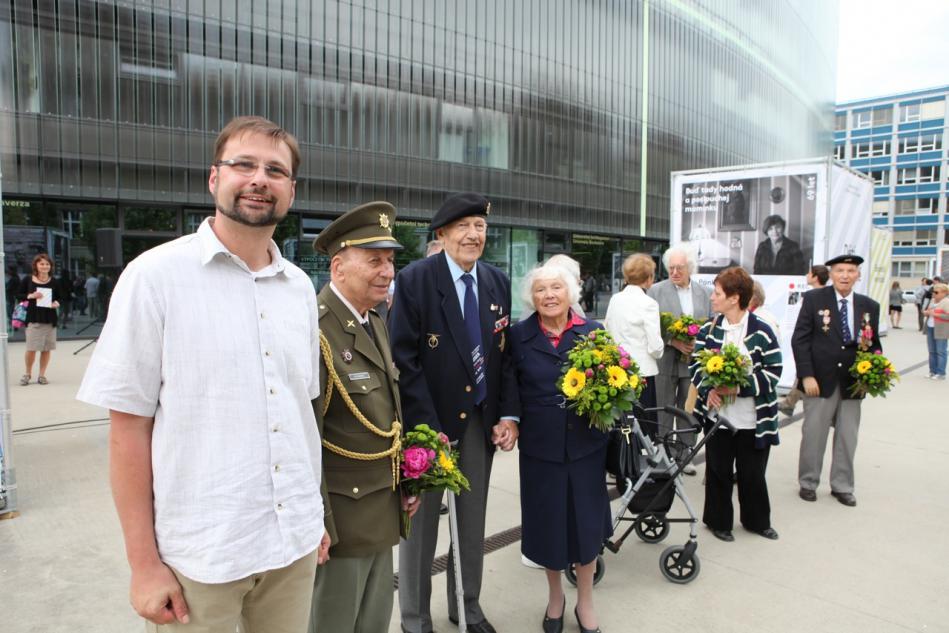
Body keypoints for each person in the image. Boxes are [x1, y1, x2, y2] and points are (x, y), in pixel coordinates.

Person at [77, 116, 330, 631]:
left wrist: (312, 515)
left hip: (292, 545)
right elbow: (128, 430)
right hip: (200, 557)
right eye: (244, 164)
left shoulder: (301, 288)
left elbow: (299, 413)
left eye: (275, 170)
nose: (260, 178)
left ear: (291, 191)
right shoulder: (154, 277)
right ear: (214, 179)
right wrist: (144, 565)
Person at [390, 192, 519, 633]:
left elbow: (505, 358)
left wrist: (507, 415)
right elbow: (403, 360)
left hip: (481, 424)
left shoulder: (497, 282)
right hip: (428, 432)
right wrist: (428, 431)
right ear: (441, 234)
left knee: (471, 525)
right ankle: (415, 617)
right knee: (421, 531)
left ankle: (468, 606)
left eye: (479, 227)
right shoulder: (415, 280)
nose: (473, 234)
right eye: (463, 226)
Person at [307, 202, 419, 633]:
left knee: (372, 623)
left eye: (390, 261)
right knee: (333, 624)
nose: (388, 271)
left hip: (379, 508)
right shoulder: (315, 329)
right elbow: (307, 438)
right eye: (374, 260)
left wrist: (407, 478)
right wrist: (319, 521)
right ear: (338, 266)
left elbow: (388, 412)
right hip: (341, 523)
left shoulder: (374, 321)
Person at [510, 262, 610, 633]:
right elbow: (509, 388)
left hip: (586, 447)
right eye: (540, 290)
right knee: (549, 527)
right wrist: (508, 420)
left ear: (570, 293)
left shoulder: (594, 333)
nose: (548, 295)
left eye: (556, 287)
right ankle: (556, 598)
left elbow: (618, 385)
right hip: (540, 449)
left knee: (585, 527)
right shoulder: (518, 336)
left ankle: (585, 601)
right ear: (531, 297)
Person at [690, 267, 782, 542]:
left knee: (752, 473)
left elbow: (773, 372)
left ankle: (756, 521)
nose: (712, 298)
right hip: (719, 416)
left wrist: (739, 387)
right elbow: (695, 364)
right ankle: (718, 522)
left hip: (753, 418)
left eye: (717, 293)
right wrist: (708, 390)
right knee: (718, 470)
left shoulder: (762, 331)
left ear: (735, 297)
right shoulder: (709, 329)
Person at [792, 254, 881, 507]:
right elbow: (800, 339)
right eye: (840, 270)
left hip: (854, 382)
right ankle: (808, 482)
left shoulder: (869, 306)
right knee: (814, 433)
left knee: (847, 436)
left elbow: (874, 344)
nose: (845, 275)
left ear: (858, 275)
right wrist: (806, 374)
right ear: (830, 274)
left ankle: (842, 486)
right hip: (820, 380)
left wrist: (874, 372)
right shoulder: (813, 299)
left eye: (851, 270)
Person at [647, 244, 711, 475]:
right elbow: (650, 327)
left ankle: (685, 454)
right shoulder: (655, 291)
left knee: (688, 408)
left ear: (690, 268)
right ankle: (663, 452)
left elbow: (710, 324)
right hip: (666, 359)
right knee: (664, 408)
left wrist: (698, 343)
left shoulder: (703, 293)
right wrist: (672, 341)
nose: (674, 272)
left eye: (679, 268)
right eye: (671, 268)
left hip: (692, 363)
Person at [604, 254, 663, 429]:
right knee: (643, 429)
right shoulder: (649, 303)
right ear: (649, 279)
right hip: (642, 373)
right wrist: (660, 350)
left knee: (621, 426)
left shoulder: (615, 299)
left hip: (617, 371)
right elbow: (655, 347)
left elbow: (607, 331)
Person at [778, 265, 828, 416]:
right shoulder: (826, 295)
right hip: (815, 344)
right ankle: (789, 403)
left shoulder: (812, 296)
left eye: (809, 273)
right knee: (802, 375)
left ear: (815, 276)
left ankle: (789, 404)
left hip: (811, 344)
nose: (807, 275)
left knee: (804, 373)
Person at [18, 253, 60, 386]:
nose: (45, 266)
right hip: (33, 318)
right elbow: (18, 294)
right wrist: (31, 295)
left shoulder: (54, 281)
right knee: (31, 348)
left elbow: (60, 297)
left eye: (47, 264)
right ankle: (27, 374)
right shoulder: (28, 280)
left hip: (49, 318)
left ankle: (42, 375)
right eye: (42, 263)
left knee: (46, 349)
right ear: (36, 265)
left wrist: (57, 303)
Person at [922, 282, 949, 380]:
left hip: (941, 329)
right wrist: (926, 313)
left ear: (944, 293)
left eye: (936, 292)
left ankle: (941, 373)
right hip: (930, 327)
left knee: (941, 351)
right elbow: (929, 312)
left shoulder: (946, 302)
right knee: (932, 351)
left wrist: (935, 314)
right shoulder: (933, 301)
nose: (934, 293)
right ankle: (932, 371)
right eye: (933, 291)